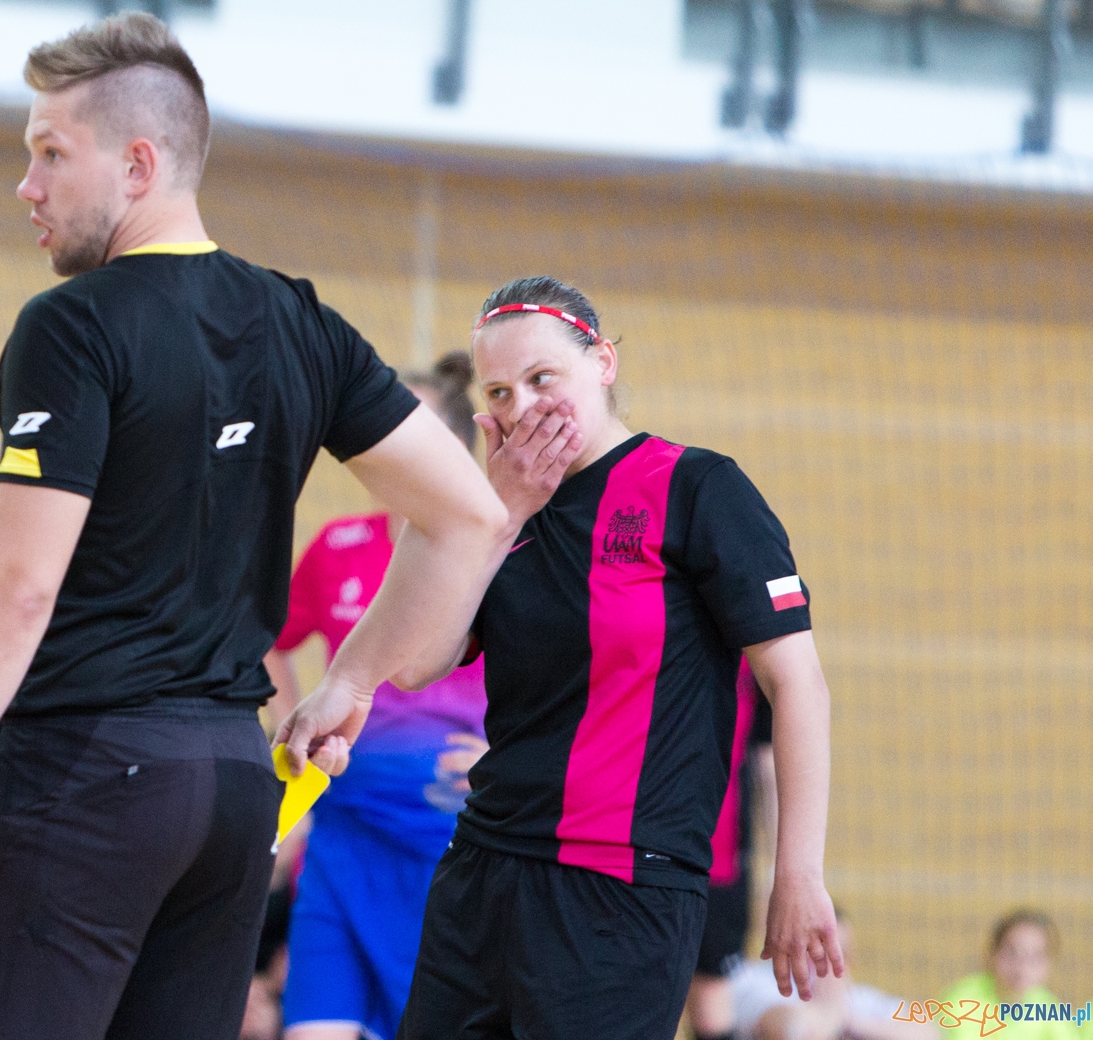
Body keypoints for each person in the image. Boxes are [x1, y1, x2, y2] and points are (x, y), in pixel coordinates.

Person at [0, 11, 507, 1040]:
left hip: (82, 782)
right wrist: (352, 680)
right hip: (229, 790)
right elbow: (468, 513)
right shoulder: (298, 318)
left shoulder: (72, 326)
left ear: (138, 163)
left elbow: (17, 587)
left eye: (47, 154)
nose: (25, 186)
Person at [282, 275, 842, 1040]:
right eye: (502, 392)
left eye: (544, 378)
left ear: (603, 362)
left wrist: (798, 873)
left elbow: (798, 682)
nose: (525, 406)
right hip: (482, 868)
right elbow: (417, 662)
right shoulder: (498, 509)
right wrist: (497, 512)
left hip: (624, 889)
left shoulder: (695, 487)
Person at [269, 352, 490, 1040]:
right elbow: (271, 639)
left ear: (454, 448)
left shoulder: (501, 554)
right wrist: (292, 727)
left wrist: (503, 753)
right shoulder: (339, 546)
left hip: (453, 851)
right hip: (342, 840)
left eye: (409, 423)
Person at [687, 662, 776, 1040]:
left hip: (719, 860)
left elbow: (768, 764)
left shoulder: (755, 653)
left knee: (712, 997)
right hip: (641, 850)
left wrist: (779, 867)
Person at [728, 908, 935, 1040]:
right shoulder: (757, 981)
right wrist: (831, 1011)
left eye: (840, 954)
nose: (833, 964)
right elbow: (791, 1032)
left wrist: (852, 1024)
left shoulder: (858, 1000)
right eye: (820, 952)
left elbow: (929, 1033)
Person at [940, 910, 1083, 1040]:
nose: (1022, 967)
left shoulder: (1046, 1005)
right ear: (991, 953)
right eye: (1012, 953)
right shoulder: (961, 1002)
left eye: (1035, 957)